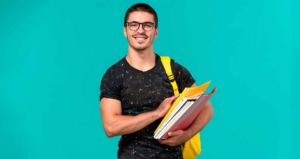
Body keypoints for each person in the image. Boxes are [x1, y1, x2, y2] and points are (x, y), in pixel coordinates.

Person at [99, 3, 214, 159]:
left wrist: (187, 135)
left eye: (147, 25)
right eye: (133, 25)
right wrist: (157, 113)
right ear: (125, 31)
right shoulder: (114, 75)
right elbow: (111, 127)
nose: (140, 30)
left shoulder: (174, 70)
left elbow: (207, 109)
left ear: (156, 32)